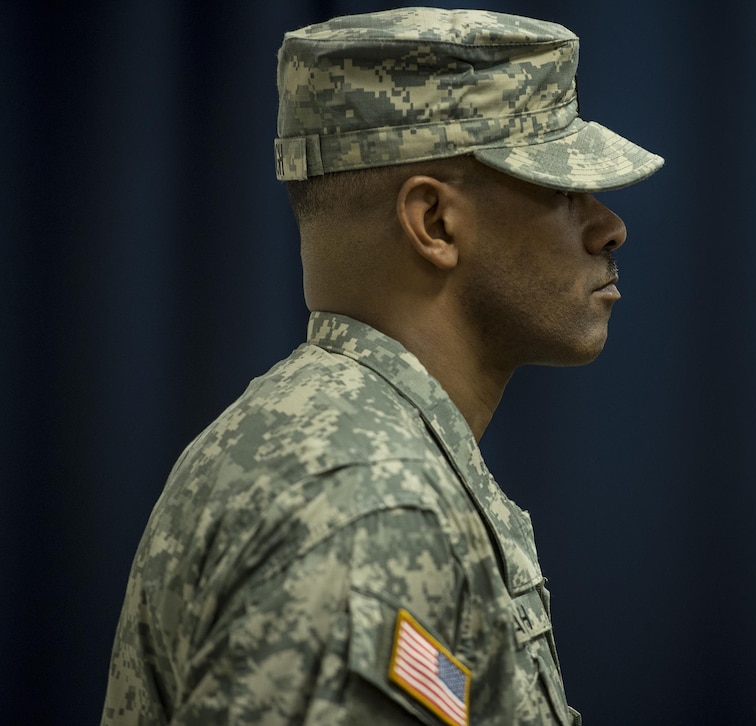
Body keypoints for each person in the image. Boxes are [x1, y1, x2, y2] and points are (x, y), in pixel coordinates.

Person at [101, 8, 662, 725]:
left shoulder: (306, 439)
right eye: (560, 189)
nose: (609, 226)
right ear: (434, 223)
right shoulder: (366, 507)